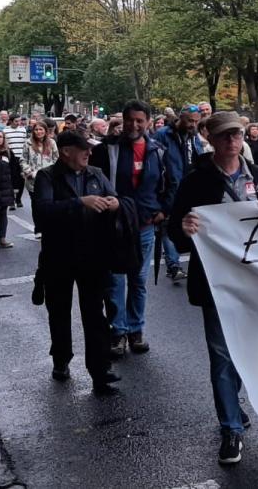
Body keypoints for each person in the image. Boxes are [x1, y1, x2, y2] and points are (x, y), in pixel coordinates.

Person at [171, 112, 258, 465]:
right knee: (221, 355)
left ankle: (234, 401)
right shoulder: (196, 180)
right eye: (225, 135)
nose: (232, 141)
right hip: (216, 282)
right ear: (211, 140)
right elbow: (174, 228)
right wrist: (184, 227)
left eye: (237, 134)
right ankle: (230, 427)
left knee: (248, 352)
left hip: (255, 281)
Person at [33, 131, 122, 395]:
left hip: (93, 255)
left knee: (95, 314)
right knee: (59, 311)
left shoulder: (96, 173)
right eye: (82, 149)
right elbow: (42, 212)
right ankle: (61, 358)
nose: (88, 153)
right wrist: (79, 203)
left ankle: (100, 371)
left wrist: (115, 203)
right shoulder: (47, 176)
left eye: (89, 148)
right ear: (65, 151)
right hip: (58, 255)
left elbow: (115, 198)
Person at [91, 100, 176, 357]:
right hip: (115, 225)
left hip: (146, 225)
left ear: (148, 122)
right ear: (123, 121)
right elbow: (93, 179)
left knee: (138, 280)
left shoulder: (158, 151)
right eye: (130, 120)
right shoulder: (109, 150)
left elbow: (172, 183)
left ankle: (136, 330)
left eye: (140, 120)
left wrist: (163, 211)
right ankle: (117, 331)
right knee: (115, 280)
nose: (135, 125)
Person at [154, 105, 205, 280]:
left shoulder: (193, 136)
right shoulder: (163, 135)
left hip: (189, 188)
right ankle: (173, 265)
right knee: (169, 226)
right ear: (180, 118)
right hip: (169, 188)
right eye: (190, 120)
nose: (193, 124)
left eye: (196, 121)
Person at [4, 115, 29, 209]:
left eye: (19, 121)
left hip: (21, 157)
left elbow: (25, 144)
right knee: (11, 179)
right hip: (11, 157)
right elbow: (5, 144)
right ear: (10, 121)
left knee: (21, 178)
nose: (18, 123)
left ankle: (18, 199)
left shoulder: (23, 130)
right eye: (16, 121)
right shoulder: (5, 131)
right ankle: (11, 200)